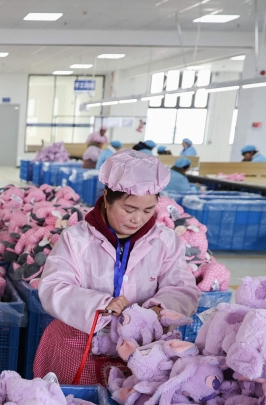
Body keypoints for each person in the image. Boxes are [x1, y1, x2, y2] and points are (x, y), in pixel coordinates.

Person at [32, 150, 199, 384]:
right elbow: (53, 287)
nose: (137, 219)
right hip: (78, 345)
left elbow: (183, 289)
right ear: (108, 197)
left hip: (140, 350)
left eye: (148, 210)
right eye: (129, 210)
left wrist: (159, 309)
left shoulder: (166, 241)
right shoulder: (76, 239)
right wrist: (100, 304)